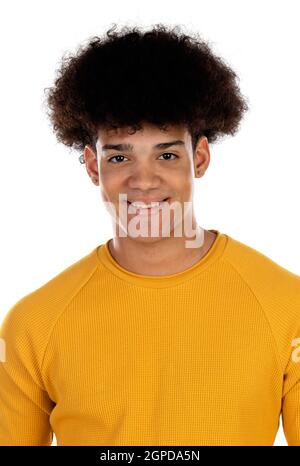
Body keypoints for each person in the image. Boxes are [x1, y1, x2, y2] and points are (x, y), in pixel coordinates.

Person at [0, 23, 299, 446]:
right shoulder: (33, 324)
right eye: (120, 155)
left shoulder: (288, 307)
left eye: (167, 154)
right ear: (92, 166)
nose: (143, 180)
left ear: (199, 157)